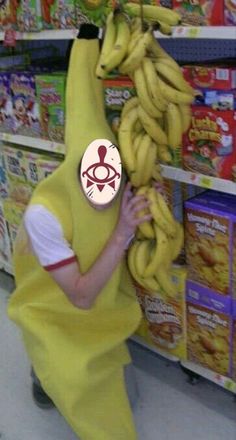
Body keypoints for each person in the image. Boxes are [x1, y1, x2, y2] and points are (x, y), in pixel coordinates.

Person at [8, 24, 152, 439]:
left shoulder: (114, 180)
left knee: (120, 389)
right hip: (56, 304)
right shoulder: (45, 215)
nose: (107, 192)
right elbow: (81, 295)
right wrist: (123, 231)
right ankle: (41, 369)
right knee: (64, 375)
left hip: (99, 307)